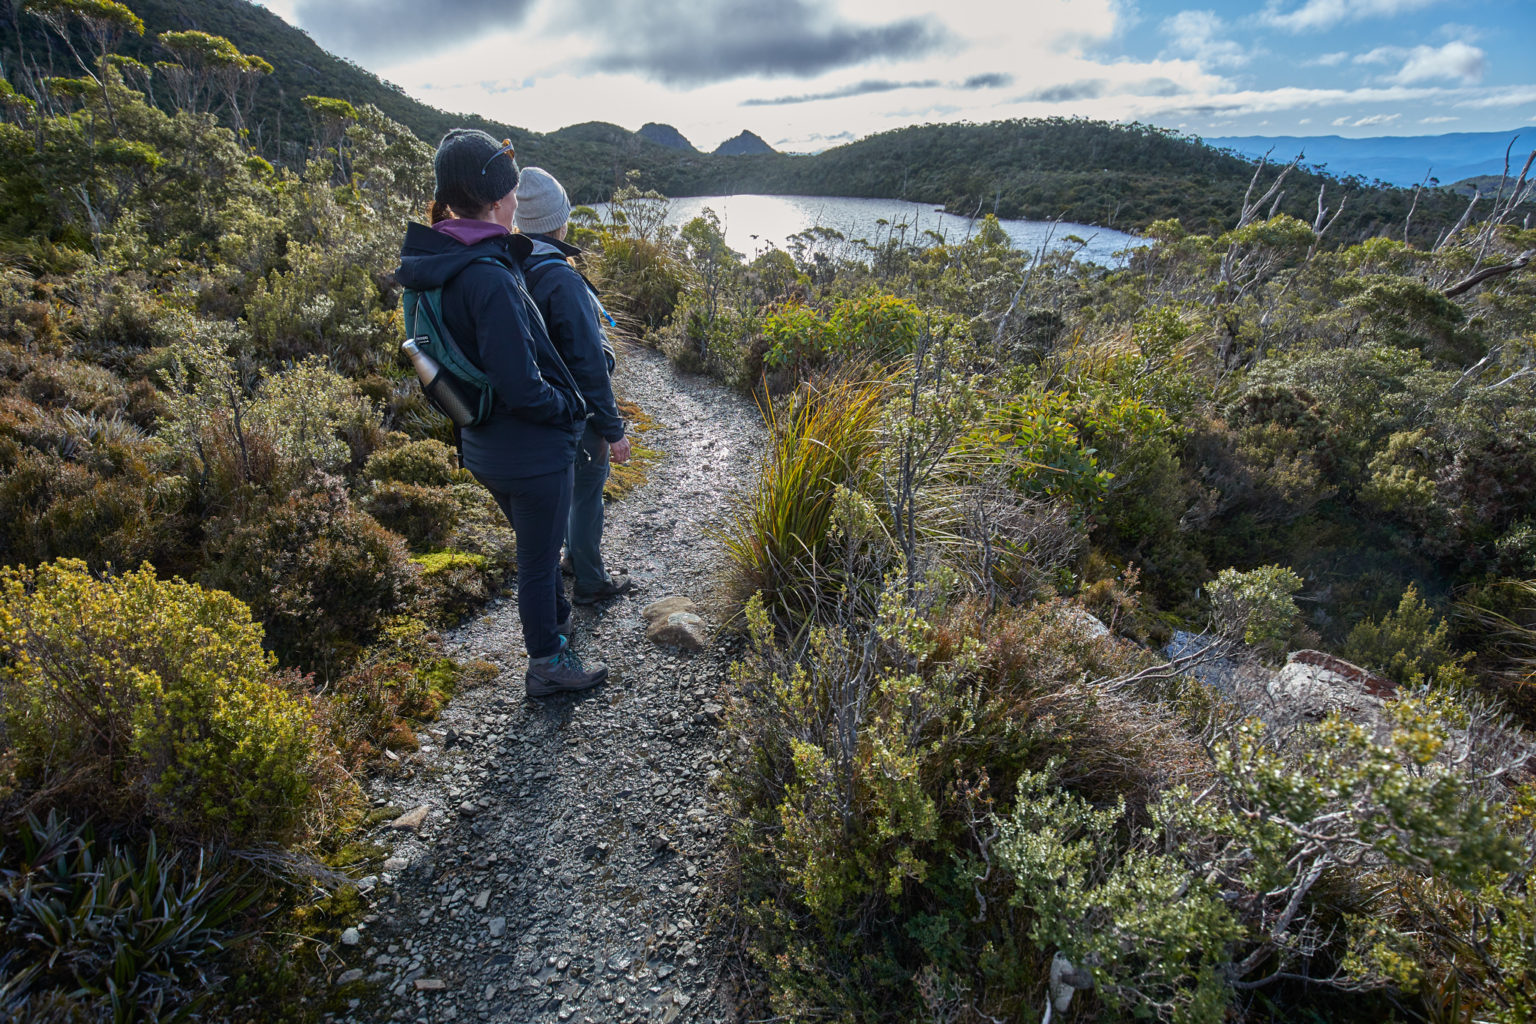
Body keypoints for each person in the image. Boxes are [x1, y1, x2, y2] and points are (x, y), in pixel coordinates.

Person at [395, 129, 605, 698]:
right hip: (530, 449)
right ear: (494, 200)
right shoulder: (486, 276)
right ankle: (547, 663)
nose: (517, 202)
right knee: (537, 561)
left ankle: (557, 626)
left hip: (482, 441)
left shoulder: (433, 261)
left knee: (536, 549)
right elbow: (523, 384)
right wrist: (570, 408)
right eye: (512, 192)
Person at [513, 167, 634, 604]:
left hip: (540, 409)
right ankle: (590, 580)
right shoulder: (560, 278)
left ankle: (568, 559)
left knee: (567, 485)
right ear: (559, 221)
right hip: (577, 410)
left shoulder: (513, 265)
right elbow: (587, 363)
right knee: (587, 490)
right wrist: (613, 428)